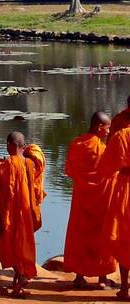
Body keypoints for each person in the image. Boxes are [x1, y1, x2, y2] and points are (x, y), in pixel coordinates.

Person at [0, 132, 46, 298]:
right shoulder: (29, 164)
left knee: (10, 244)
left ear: (9, 145)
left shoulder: (4, 166)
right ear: (23, 146)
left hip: (8, 214)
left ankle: (21, 278)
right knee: (23, 243)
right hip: (25, 212)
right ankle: (20, 275)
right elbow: (37, 182)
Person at [64, 112, 116, 289]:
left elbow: (69, 170)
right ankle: (102, 278)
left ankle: (79, 277)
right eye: (108, 128)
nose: (108, 132)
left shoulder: (77, 144)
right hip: (101, 200)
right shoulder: (102, 149)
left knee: (80, 235)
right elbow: (111, 173)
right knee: (102, 236)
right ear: (100, 127)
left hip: (81, 200)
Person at [99, 121, 130, 300]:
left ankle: (125, 288)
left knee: (123, 237)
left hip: (125, 187)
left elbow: (105, 168)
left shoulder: (120, 136)